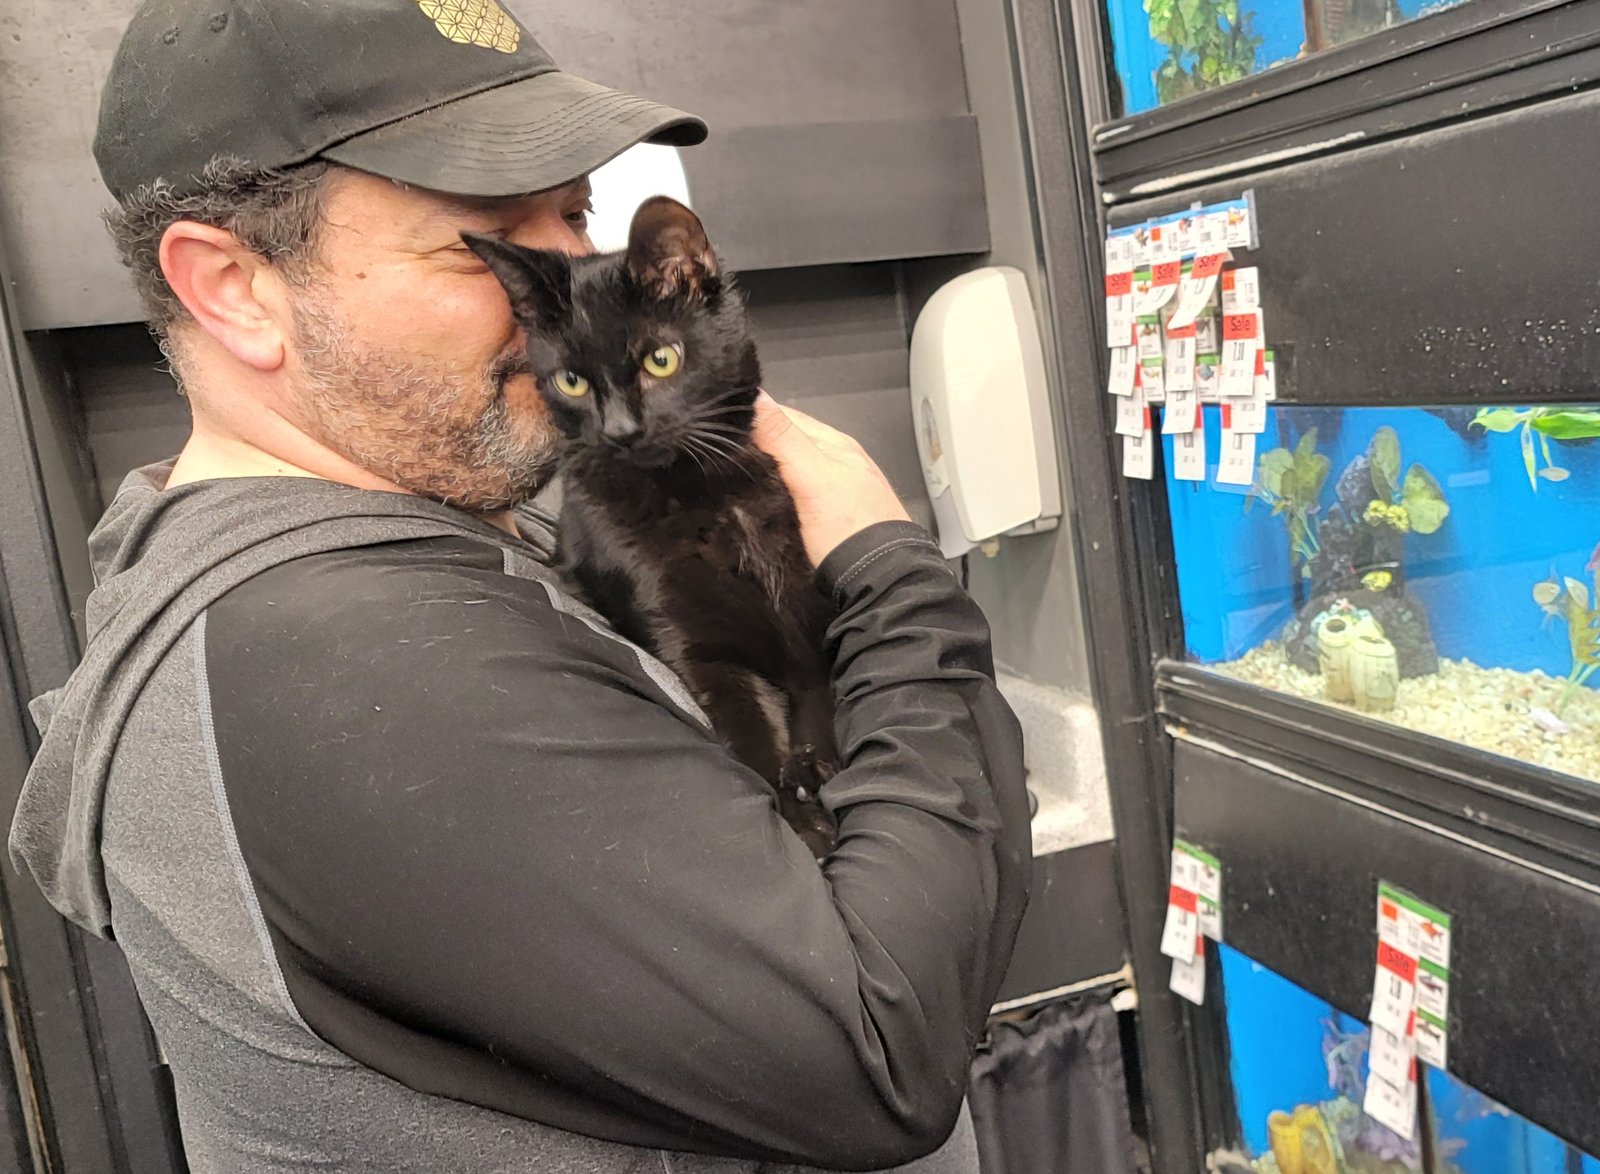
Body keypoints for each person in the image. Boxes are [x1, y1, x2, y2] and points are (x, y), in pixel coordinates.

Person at [10, 2, 1032, 1172]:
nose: (568, 281)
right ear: (235, 287)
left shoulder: (327, 546)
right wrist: (889, 572)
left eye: (574, 211)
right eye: (487, 237)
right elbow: (885, 1050)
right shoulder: (353, 662)